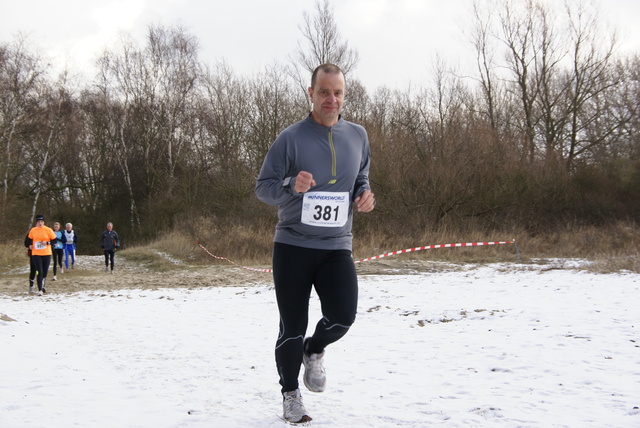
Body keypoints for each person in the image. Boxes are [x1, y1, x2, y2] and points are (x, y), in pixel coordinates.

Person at [255, 63, 376, 423]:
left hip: (337, 246)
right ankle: (290, 393)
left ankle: (315, 347)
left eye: (337, 92)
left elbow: (362, 177)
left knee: (344, 315)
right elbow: (263, 187)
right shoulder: (290, 138)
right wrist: (292, 185)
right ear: (311, 93)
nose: (331, 99)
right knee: (291, 325)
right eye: (324, 91)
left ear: (344, 96)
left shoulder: (358, 135)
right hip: (293, 246)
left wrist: (365, 193)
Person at [26, 214, 57, 295]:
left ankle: (42, 285)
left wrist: (47, 242)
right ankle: (40, 290)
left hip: (47, 253)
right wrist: (29, 245)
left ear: (44, 222)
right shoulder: (33, 230)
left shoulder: (48, 230)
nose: (40, 223)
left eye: (42, 221)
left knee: (45, 272)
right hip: (36, 253)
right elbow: (28, 240)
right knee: (39, 271)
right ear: (36, 222)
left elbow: (55, 241)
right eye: (39, 221)